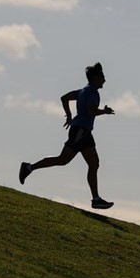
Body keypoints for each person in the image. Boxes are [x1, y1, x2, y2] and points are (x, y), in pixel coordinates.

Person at [19, 62, 117, 210]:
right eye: (102, 77)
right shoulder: (93, 93)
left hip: (83, 131)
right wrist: (104, 111)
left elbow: (64, 98)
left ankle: (96, 199)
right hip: (80, 131)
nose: (104, 80)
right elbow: (91, 111)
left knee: (93, 163)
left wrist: (69, 115)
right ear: (96, 78)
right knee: (64, 159)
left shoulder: (83, 90)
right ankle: (29, 167)